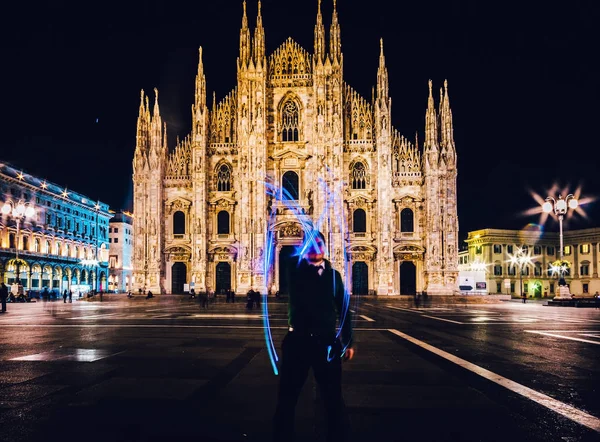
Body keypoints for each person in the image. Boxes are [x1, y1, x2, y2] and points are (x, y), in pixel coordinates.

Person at [273, 231, 354, 442]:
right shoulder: (295, 270)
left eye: (319, 244)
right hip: (298, 341)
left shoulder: (333, 275)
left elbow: (343, 307)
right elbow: (292, 265)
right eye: (310, 245)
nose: (315, 248)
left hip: (326, 343)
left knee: (333, 398)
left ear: (325, 248)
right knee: (287, 397)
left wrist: (349, 341)